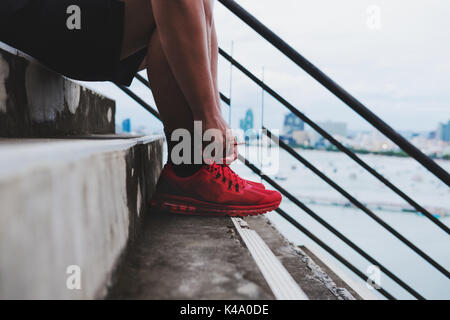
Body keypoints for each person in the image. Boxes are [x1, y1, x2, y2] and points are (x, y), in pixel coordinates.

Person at [0, 0, 281, 216]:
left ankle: (191, 167)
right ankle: (197, 155)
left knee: (187, 11)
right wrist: (210, 116)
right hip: (36, 15)